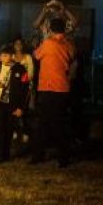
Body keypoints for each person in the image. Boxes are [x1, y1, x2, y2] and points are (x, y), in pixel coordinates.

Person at [32, 17, 76, 166]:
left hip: (48, 87)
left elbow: (36, 55)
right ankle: (63, 157)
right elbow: (72, 57)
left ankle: (38, 155)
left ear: (50, 29)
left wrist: (44, 37)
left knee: (44, 122)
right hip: (62, 87)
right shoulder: (68, 44)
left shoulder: (48, 43)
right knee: (59, 123)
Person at [0, 44, 30, 162]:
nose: (2, 58)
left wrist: (21, 108)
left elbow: (25, 90)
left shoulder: (20, 69)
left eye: (5, 55)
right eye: (1, 55)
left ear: (11, 56)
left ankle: (5, 153)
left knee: (8, 129)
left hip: (11, 104)